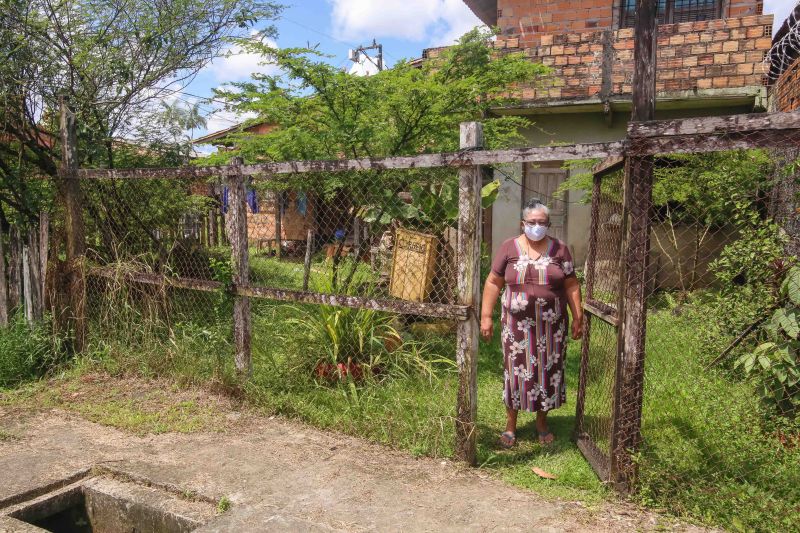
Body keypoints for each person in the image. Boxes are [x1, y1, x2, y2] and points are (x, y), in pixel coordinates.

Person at [480, 198, 583, 447]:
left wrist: (578, 317)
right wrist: (486, 316)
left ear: (548, 224)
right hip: (516, 328)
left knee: (547, 372)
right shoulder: (509, 248)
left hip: (551, 327)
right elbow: (494, 282)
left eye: (542, 222)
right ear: (522, 223)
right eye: (532, 222)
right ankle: (511, 425)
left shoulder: (560, 249)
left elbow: (571, 284)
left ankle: (541, 423)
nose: (537, 226)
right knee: (516, 374)